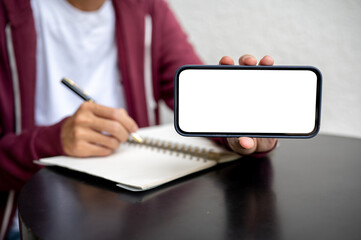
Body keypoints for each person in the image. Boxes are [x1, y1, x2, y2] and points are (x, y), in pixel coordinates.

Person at [0, 0, 277, 238]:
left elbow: (197, 101)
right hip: (25, 227)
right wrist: (49, 142)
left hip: (135, 224)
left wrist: (236, 127)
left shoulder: (146, 8)